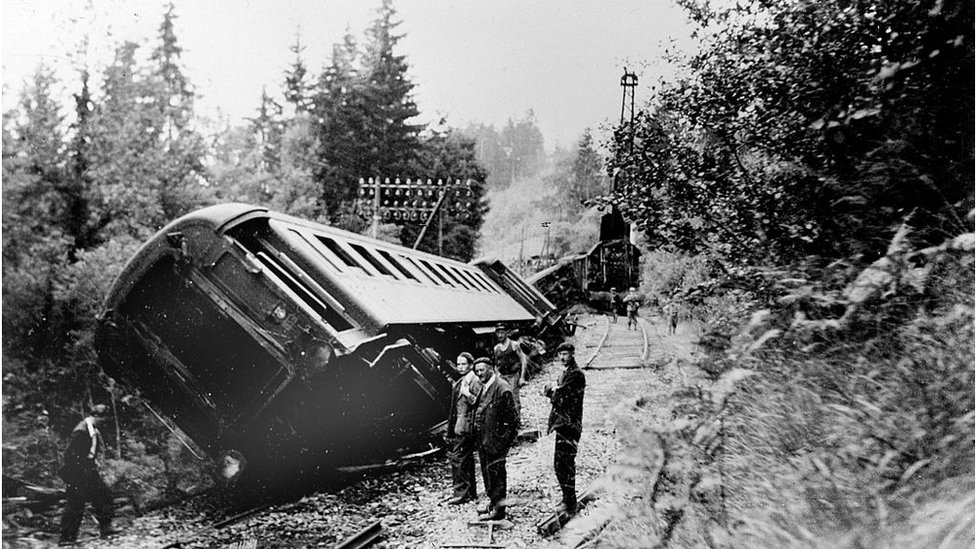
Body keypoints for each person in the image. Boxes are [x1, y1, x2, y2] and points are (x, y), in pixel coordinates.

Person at [59, 404, 117, 545]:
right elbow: (70, 456)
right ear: (95, 416)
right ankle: (66, 539)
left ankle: (106, 528)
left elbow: (89, 449)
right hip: (77, 472)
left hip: (88, 469)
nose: (104, 422)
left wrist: (92, 461)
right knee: (75, 504)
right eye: (103, 418)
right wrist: (80, 471)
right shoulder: (81, 430)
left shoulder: (92, 429)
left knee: (104, 496)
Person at [472, 357, 518, 520]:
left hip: (495, 442)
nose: (479, 374)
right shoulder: (484, 387)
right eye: (476, 371)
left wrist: (502, 442)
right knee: (488, 474)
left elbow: (513, 420)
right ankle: (493, 503)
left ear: (491, 368)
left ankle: (499, 512)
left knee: (497, 475)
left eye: (482, 370)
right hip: (484, 441)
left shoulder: (501, 388)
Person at [544, 342, 586, 515]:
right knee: (561, 464)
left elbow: (560, 398)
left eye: (565, 354)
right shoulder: (567, 373)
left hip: (569, 425)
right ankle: (567, 499)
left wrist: (549, 392)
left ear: (572, 354)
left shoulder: (576, 374)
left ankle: (570, 503)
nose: (562, 358)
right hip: (563, 425)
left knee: (565, 465)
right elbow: (559, 394)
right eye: (560, 354)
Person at [446, 352, 482, 505]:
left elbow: (479, 402)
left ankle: (461, 493)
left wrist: (467, 394)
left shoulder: (474, 381)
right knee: (465, 458)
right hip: (460, 425)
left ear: (471, 365)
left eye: (463, 364)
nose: (460, 367)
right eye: (458, 364)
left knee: (458, 458)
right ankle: (470, 492)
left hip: (467, 425)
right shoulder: (461, 381)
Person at [492, 324, 528, 426]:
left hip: (513, 376)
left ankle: (518, 420)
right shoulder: (496, 348)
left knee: (514, 399)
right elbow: (496, 364)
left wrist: (522, 377)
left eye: (502, 333)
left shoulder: (514, 345)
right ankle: (508, 421)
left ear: (507, 333)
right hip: (503, 377)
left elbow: (523, 360)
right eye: (498, 333)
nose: (500, 335)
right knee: (503, 399)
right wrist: (497, 376)